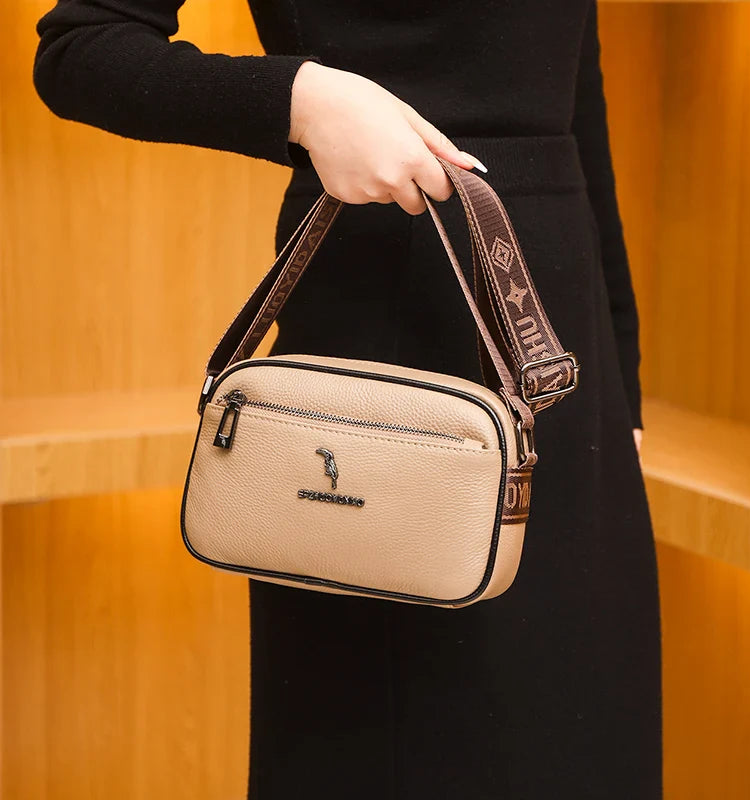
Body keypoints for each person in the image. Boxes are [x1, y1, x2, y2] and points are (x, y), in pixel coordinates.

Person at [32, 0, 663, 797]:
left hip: (561, 356)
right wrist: (305, 101)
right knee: (401, 750)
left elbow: (576, 95)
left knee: (581, 734)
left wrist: (620, 379)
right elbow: (80, 49)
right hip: (384, 345)